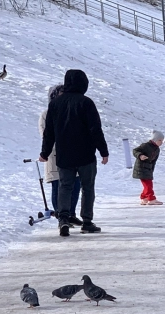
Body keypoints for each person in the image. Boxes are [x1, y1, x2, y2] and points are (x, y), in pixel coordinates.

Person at [40, 69, 109, 236]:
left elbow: (49, 132)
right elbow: (95, 129)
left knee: (65, 186)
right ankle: (87, 221)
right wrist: (103, 151)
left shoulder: (54, 105)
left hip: (64, 154)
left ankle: (63, 219)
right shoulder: (86, 103)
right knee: (88, 187)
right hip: (85, 154)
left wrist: (45, 152)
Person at [38, 85, 81, 224]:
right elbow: (46, 135)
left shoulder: (71, 111)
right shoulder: (46, 114)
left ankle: (71, 214)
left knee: (75, 185)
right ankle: (61, 217)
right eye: (61, 94)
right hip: (56, 156)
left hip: (73, 156)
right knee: (58, 186)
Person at [132, 131, 164, 205]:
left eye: (162, 140)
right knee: (148, 184)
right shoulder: (145, 145)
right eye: (160, 140)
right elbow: (135, 150)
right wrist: (140, 156)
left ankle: (144, 198)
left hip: (148, 169)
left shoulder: (157, 149)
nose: (161, 142)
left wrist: (152, 170)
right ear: (154, 139)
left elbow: (154, 161)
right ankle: (151, 199)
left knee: (148, 184)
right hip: (141, 168)